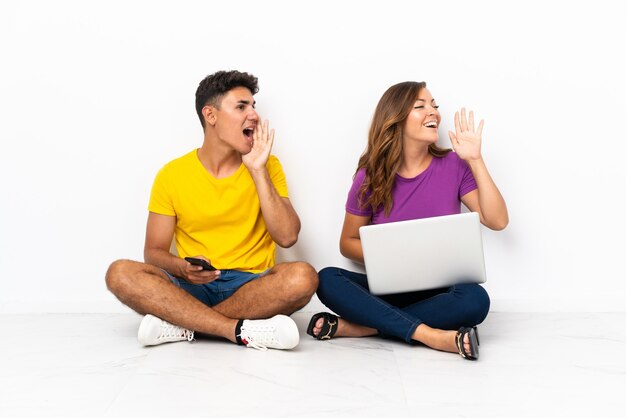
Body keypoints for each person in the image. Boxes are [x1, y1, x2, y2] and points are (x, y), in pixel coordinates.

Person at [106, 70, 318, 351]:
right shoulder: (172, 174)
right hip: (191, 286)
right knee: (119, 272)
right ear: (211, 115)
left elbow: (288, 236)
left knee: (303, 277)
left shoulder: (267, 166)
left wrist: (257, 169)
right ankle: (236, 330)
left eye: (253, 106)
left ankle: (184, 325)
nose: (253, 115)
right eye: (242, 106)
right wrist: (182, 267)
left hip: (250, 286)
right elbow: (153, 252)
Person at [307, 81, 508, 360]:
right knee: (328, 279)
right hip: (388, 288)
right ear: (396, 119)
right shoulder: (371, 176)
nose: (434, 113)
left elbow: (497, 220)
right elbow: (347, 242)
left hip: (440, 291)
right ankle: (431, 335)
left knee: (476, 300)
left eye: (434, 106)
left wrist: (475, 159)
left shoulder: (455, 165)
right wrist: (395, 255)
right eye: (421, 106)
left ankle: (366, 327)